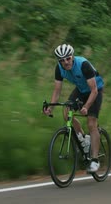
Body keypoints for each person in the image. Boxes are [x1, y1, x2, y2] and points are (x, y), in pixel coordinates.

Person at [43, 44, 104, 173]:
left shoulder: (83, 65)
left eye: (68, 58)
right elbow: (57, 91)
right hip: (81, 90)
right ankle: (83, 139)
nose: (65, 62)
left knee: (91, 122)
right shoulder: (59, 69)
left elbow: (94, 90)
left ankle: (94, 160)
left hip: (95, 90)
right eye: (62, 60)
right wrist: (51, 108)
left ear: (73, 56)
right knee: (66, 113)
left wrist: (86, 107)